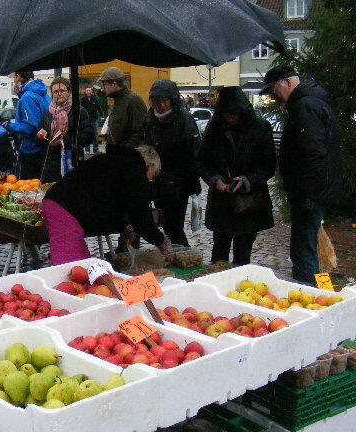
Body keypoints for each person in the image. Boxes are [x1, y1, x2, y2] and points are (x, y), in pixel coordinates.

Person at [261, 65, 345, 284]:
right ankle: (321, 292)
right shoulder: (309, 102)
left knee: (305, 250)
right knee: (313, 246)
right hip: (312, 191)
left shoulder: (305, 106)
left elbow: (313, 153)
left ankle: (312, 295)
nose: (274, 96)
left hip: (310, 193)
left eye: (275, 90)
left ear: (288, 82)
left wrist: (308, 194)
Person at [43, 145, 170, 265]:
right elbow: (142, 218)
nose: (149, 180)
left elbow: (110, 204)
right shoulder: (134, 172)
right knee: (69, 267)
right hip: (64, 209)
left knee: (83, 265)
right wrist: (160, 241)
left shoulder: (119, 163)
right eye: (153, 175)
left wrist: (124, 226)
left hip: (60, 204)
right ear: (150, 165)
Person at [195, 86, 276, 265]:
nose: (230, 119)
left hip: (248, 202)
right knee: (219, 254)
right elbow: (202, 161)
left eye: (233, 114)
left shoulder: (260, 127)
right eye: (226, 114)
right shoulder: (215, 127)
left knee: (243, 254)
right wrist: (215, 179)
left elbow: (268, 165)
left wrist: (247, 180)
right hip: (221, 201)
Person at [142, 79, 201, 247]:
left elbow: (193, 153)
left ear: (171, 100)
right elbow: (145, 144)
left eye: (163, 101)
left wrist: (191, 183)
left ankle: (185, 255)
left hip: (177, 184)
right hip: (157, 181)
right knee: (165, 224)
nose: (159, 106)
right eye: (155, 102)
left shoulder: (183, 119)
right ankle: (176, 255)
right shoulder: (150, 118)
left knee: (174, 226)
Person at [35, 77, 93, 183]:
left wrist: (63, 141)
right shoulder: (47, 113)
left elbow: (88, 137)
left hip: (71, 161)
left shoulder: (79, 111)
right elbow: (39, 142)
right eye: (55, 91)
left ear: (69, 92)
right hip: (50, 164)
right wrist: (40, 138)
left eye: (62, 91)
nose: (59, 94)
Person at [6, 71, 50, 179]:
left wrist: (9, 125)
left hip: (31, 150)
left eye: (14, 77)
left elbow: (31, 127)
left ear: (19, 77)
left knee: (28, 189)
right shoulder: (44, 93)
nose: (14, 81)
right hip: (45, 148)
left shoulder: (27, 96)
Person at [99, 67, 146, 150]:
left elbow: (139, 133)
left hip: (125, 157)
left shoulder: (133, 100)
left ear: (114, 84)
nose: (102, 87)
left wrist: (124, 151)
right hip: (115, 154)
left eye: (104, 84)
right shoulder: (116, 100)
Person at [80, 86, 103, 154]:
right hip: (86, 120)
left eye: (90, 90)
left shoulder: (94, 99)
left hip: (94, 119)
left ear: (91, 91)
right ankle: (87, 150)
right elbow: (80, 109)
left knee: (95, 135)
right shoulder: (82, 100)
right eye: (87, 90)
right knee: (86, 134)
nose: (88, 92)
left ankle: (96, 150)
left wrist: (102, 115)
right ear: (85, 91)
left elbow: (99, 107)